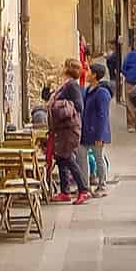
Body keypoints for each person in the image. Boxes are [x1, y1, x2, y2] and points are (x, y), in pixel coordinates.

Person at [47, 64, 90, 205]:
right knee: (61, 158)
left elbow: (79, 105)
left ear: (67, 70)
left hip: (69, 129)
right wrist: (48, 88)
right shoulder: (65, 86)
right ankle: (65, 191)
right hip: (61, 129)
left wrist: (62, 105)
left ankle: (83, 189)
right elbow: (48, 98)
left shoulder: (72, 86)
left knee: (68, 159)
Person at [82, 64, 113, 196]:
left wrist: (100, 136)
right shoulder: (88, 90)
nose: (86, 73)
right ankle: (88, 183)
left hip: (96, 132)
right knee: (86, 158)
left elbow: (103, 115)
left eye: (89, 71)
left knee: (98, 158)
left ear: (94, 75)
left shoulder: (102, 93)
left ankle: (102, 185)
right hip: (87, 131)